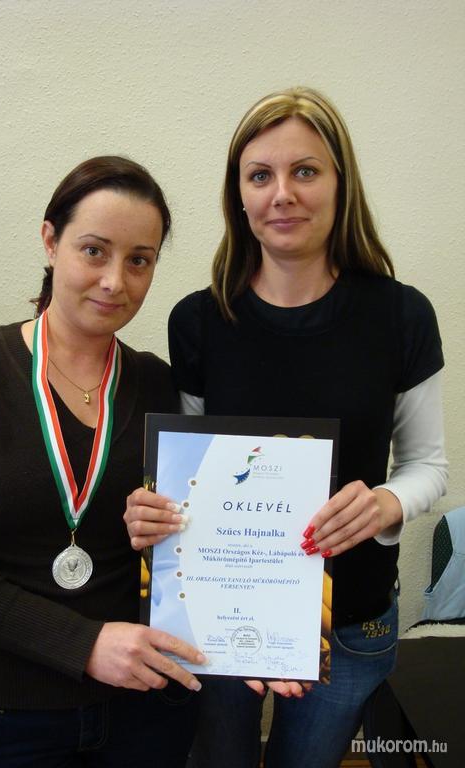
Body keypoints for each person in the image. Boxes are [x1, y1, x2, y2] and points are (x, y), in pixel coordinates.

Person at [124, 87, 448, 768]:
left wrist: (385, 503)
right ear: (238, 196)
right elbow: (189, 474)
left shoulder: (402, 316)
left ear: (340, 184)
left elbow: (427, 466)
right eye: (260, 175)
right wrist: (156, 511)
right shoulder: (199, 320)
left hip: (353, 619)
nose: (282, 194)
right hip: (219, 614)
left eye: (305, 171)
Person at [0, 156, 207, 768]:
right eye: (94, 251)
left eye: (139, 260)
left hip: (145, 710)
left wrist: (168, 527)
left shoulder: (160, 386)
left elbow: (195, 545)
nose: (114, 280)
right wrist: (82, 644)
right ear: (50, 240)